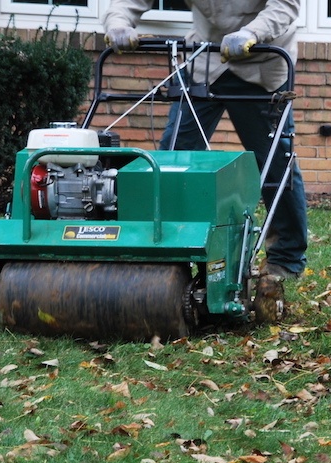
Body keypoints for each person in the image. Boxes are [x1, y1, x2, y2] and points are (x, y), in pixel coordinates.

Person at [104, 0, 307, 280]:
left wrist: (252, 33)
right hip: (205, 61)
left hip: (261, 65)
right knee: (174, 157)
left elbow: (284, 5)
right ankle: (166, 248)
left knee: (276, 164)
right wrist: (118, 23)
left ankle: (286, 258)